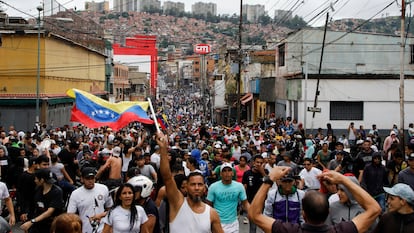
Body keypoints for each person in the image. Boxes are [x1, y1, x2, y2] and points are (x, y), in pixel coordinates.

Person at [248, 166, 381, 233]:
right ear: (328, 211)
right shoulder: (341, 230)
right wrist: (343, 180)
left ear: (303, 213)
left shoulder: (290, 231)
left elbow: (254, 214)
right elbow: (374, 209)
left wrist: (269, 179)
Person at [157, 131, 224, 233]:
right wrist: (163, 149)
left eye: (200, 184)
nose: (196, 188)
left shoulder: (211, 213)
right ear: (186, 187)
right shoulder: (177, 203)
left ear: (205, 188)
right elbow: (167, 177)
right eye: (193, 184)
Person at [67, 167, 113, 233]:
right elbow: (70, 215)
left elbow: (110, 208)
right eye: (87, 178)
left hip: (103, 229)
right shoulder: (75, 194)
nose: (90, 181)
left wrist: (102, 216)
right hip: (85, 229)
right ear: (82, 179)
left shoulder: (104, 189)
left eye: (92, 178)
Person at [207, 162, 250, 232]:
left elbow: (245, 203)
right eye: (224, 171)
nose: (227, 173)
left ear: (232, 173)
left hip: (233, 223)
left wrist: (253, 214)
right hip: (218, 223)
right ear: (220, 174)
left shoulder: (239, 186)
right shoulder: (213, 187)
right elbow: (208, 206)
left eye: (229, 170)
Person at [20, 168, 64, 233]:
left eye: (36, 178)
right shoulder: (38, 189)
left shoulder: (57, 192)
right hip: (38, 223)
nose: (35, 180)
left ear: (42, 180)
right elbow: (34, 205)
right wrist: (28, 218)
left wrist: (32, 222)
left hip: (50, 225)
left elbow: (49, 212)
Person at [242, 155, 265, 232]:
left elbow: (269, 183)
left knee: (264, 225)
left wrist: (262, 172)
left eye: (261, 163)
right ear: (253, 162)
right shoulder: (247, 173)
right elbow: (244, 187)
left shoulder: (265, 173)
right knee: (253, 225)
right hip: (251, 202)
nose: (258, 164)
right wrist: (244, 202)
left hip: (262, 202)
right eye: (257, 162)